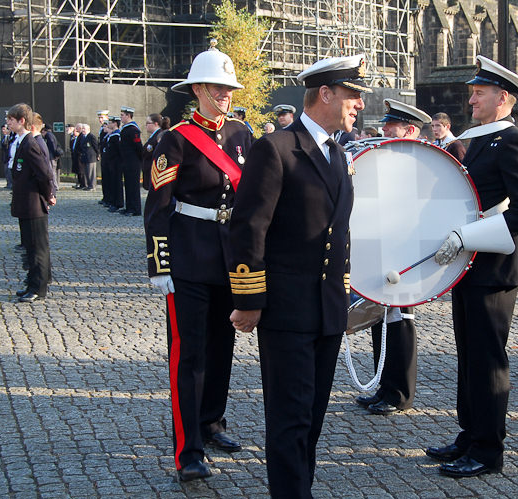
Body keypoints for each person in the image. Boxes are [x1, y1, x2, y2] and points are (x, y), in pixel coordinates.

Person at [228, 53, 370, 498]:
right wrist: (250, 299)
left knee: (311, 419)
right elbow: (250, 227)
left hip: (327, 311)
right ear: (324, 94)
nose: (359, 104)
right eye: (352, 95)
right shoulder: (277, 148)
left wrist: (344, 297)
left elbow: (338, 235)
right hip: (287, 311)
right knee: (289, 422)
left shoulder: (337, 153)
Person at [426, 55, 518, 477]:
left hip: (493, 270)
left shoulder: (512, 142)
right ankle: (469, 434)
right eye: (472, 92)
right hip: (469, 266)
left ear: (503, 98)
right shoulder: (483, 140)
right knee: (469, 356)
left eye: (479, 93)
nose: (471, 99)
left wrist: (467, 238)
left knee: (488, 360)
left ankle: (488, 449)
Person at [143, 42, 252, 483]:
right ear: (198, 89)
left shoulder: (244, 135)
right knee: (189, 357)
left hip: (230, 260)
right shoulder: (174, 140)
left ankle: (212, 421)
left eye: (229, 88)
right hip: (188, 259)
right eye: (218, 87)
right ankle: (188, 450)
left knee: (222, 349)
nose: (226, 94)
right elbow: (157, 207)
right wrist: (160, 265)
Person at [355, 98, 431, 416]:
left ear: (410, 129)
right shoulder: (389, 157)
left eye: (392, 124)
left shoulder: (423, 161)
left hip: (408, 255)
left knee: (401, 321)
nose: (384, 128)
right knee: (380, 318)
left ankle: (400, 393)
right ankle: (384, 386)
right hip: (383, 250)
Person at [7, 103, 56, 303]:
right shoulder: (21, 142)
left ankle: (38, 287)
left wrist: (47, 195)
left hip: (34, 203)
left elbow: (44, 174)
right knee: (29, 246)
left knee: (38, 248)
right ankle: (31, 281)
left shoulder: (30, 143)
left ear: (22, 121)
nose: (8, 122)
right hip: (24, 203)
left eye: (11, 119)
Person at [119, 106, 143, 216]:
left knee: (133, 186)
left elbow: (138, 146)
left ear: (128, 116)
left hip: (133, 162)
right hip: (127, 161)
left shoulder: (133, 129)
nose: (121, 118)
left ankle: (135, 209)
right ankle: (129, 207)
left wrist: (138, 159)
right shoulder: (125, 128)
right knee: (128, 185)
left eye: (122, 115)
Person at [142, 114, 170, 190]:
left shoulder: (160, 136)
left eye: (148, 123)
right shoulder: (153, 137)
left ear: (155, 124)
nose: (146, 125)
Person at [103, 116, 124, 212]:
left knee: (116, 183)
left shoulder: (116, 135)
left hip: (116, 162)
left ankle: (117, 202)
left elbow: (117, 150)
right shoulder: (112, 134)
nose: (108, 124)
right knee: (112, 182)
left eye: (110, 122)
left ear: (115, 123)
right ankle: (113, 201)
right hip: (111, 162)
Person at [42, 124, 64, 191]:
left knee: (52, 171)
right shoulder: (51, 135)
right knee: (53, 171)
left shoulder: (49, 135)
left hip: (51, 156)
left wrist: (54, 154)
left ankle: (55, 186)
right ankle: (55, 185)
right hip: (52, 156)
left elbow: (52, 145)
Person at [79, 124, 99, 191]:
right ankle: (88, 185)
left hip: (91, 157)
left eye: (84, 129)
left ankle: (92, 186)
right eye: (82, 129)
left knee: (91, 172)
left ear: (88, 129)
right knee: (87, 172)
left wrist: (98, 154)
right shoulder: (83, 137)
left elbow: (96, 146)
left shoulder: (91, 136)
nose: (83, 130)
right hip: (85, 157)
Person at [70, 124, 84, 189]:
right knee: (78, 171)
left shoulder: (81, 136)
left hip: (79, 156)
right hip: (76, 156)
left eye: (77, 128)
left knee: (80, 171)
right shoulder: (77, 137)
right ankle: (79, 183)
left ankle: (82, 183)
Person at [1, 124, 13, 189]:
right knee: (6, 171)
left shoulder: (10, 137)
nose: (3, 131)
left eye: (4, 129)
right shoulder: (4, 137)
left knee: (9, 171)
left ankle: (11, 184)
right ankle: (8, 183)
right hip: (5, 157)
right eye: (2, 129)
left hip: (9, 157)